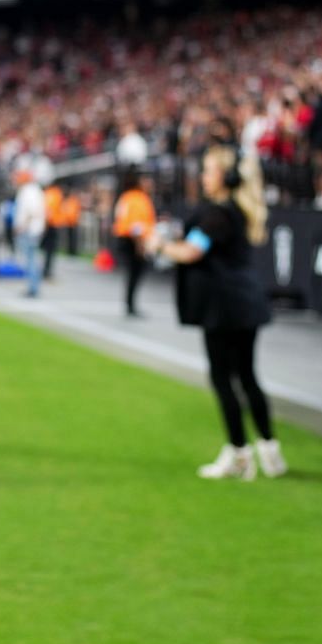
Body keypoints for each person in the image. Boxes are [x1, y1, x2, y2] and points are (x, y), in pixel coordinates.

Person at [149, 147, 283, 481]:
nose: (203, 177)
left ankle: (239, 453)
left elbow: (192, 251)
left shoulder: (219, 214)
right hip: (243, 304)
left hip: (224, 308)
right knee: (248, 376)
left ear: (225, 176)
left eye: (208, 171)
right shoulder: (231, 212)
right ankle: (269, 450)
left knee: (224, 378)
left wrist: (159, 245)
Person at [112, 170, 156, 318]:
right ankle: (131, 304)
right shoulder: (139, 199)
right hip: (133, 240)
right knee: (135, 273)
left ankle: (130, 303)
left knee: (133, 274)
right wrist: (140, 245)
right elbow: (136, 226)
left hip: (125, 238)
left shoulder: (127, 197)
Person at [13, 169, 47, 298]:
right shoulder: (35, 191)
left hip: (29, 230)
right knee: (32, 258)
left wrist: (22, 226)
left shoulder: (28, 191)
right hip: (34, 229)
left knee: (30, 259)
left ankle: (33, 287)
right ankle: (32, 286)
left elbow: (31, 212)